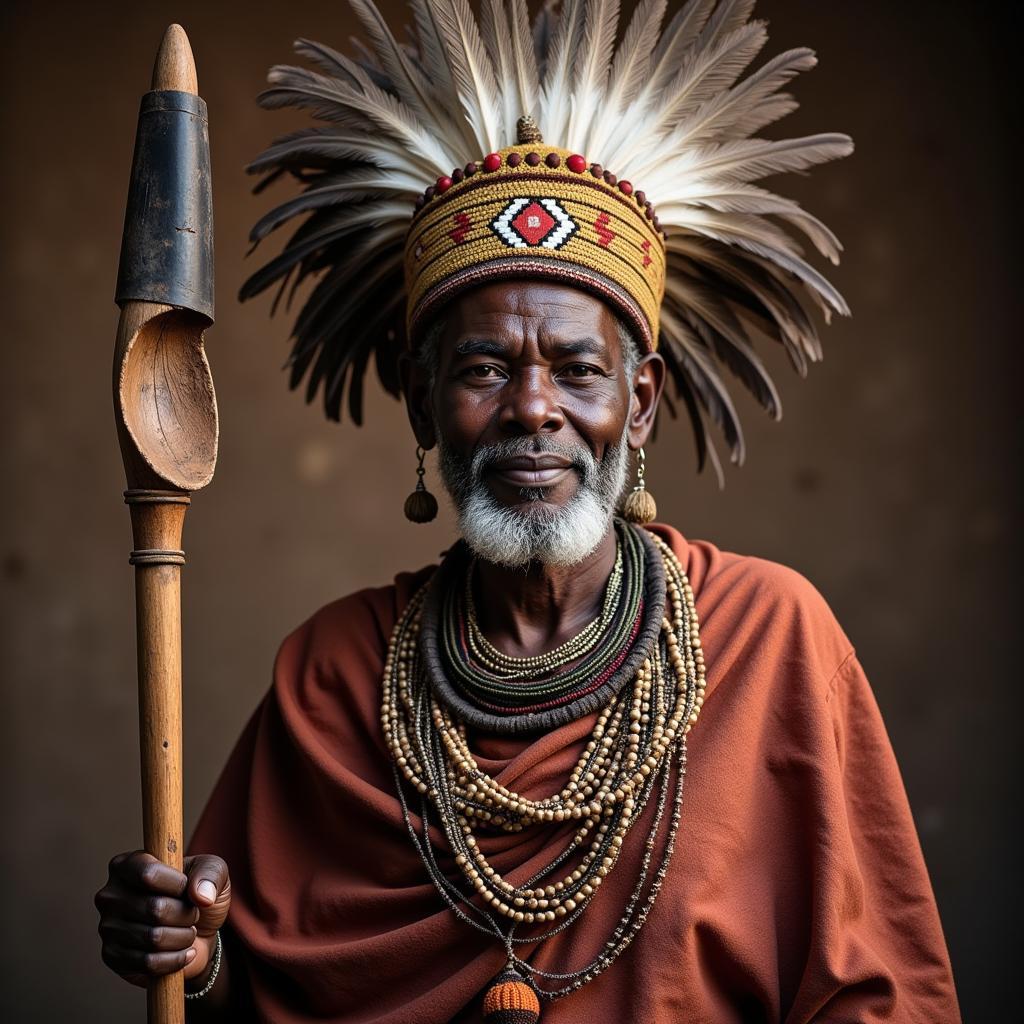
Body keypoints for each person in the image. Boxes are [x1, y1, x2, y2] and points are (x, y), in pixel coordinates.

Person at [94, 1, 961, 1020]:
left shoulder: (774, 640)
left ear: (638, 404)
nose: (533, 407)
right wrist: (194, 958)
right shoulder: (333, 677)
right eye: (483, 367)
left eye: (578, 369)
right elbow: (257, 988)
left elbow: (880, 994)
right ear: (424, 403)